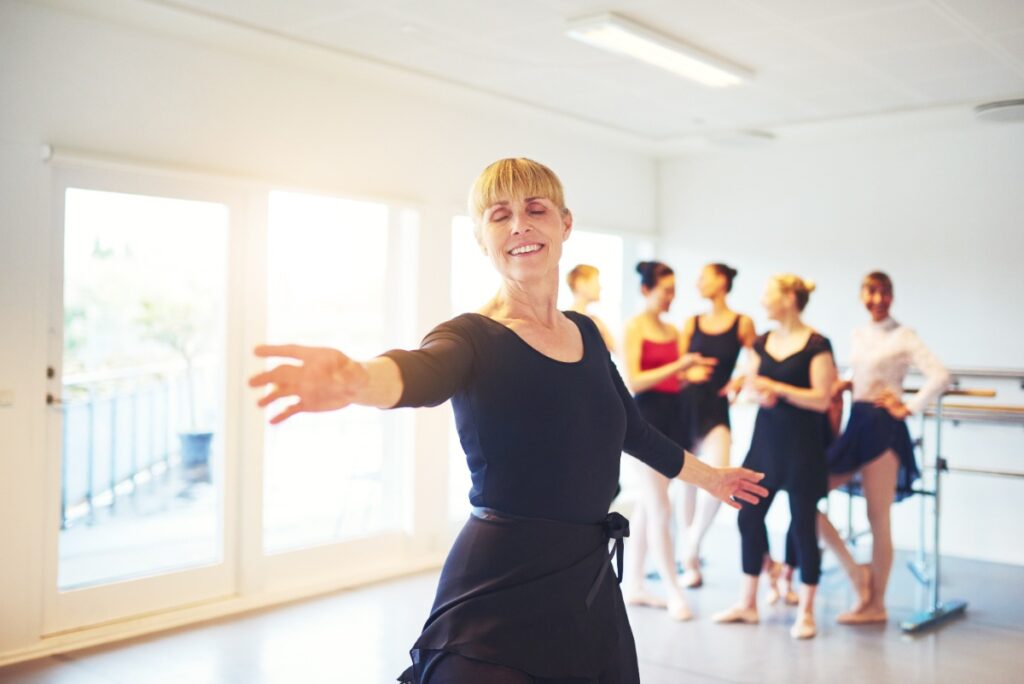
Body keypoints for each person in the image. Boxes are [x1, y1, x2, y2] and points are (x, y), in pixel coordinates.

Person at [249, 158, 768, 683]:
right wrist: (356, 379)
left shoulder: (587, 334)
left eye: (535, 209)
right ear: (482, 236)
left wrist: (714, 479)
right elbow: (422, 372)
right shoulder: (472, 336)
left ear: (565, 224)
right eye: (500, 215)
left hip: (586, 581)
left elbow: (633, 431)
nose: (519, 225)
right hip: (500, 582)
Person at [817, 271, 950, 624]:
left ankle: (876, 604)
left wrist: (908, 407)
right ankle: (856, 574)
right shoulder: (859, 334)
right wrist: (845, 384)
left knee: (878, 519)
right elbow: (860, 371)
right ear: (862, 295)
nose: (877, 300)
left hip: (883, 428)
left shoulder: (904, 335)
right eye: (870, 292)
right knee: (806, 494)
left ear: (892, 296)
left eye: (884, 293)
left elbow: (940, 376)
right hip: (856, 424)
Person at [713, 274, 836, 640]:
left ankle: (807, 611)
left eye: (769, 294)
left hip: (803, 448)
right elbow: (753, 386)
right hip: (765, 444)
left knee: (802, 526)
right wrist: (756, 393)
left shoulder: (817, 344)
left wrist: (777, 389)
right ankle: (747, 603)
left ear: (789, 298)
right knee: (748, 517)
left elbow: (821, 398)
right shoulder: (763, 342)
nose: (763, 300)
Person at [621, 261, 715, 620]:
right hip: (643, 423)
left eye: (675, 291)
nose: (672, 298)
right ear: (646, 290)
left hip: (674, 420)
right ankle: (674, 590)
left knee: (650, 505)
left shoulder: (674, 331)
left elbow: (675, 382)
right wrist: (680, 366)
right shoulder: (634, 327)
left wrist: (694, 373)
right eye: (666, 291)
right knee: (661, 507)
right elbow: (636, 380)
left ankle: (635, 585)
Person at [675, 263, 757, 588]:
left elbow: (758, 361)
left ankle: (691, 545)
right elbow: (678, 367)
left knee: (719, 472)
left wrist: (740, 379)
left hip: (717, 407)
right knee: (686, 481)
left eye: (704, 277)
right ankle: (691, 565)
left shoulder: (742, 322)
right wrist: (687, 373)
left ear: (722, 281)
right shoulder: (691, 322)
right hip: (687, 406)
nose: (698, 282)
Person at [567, 264, 617, 354]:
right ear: (581, 283)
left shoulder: (596, 321)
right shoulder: (567, 322)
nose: (600, 287)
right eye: (596, 281)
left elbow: (618, 350)